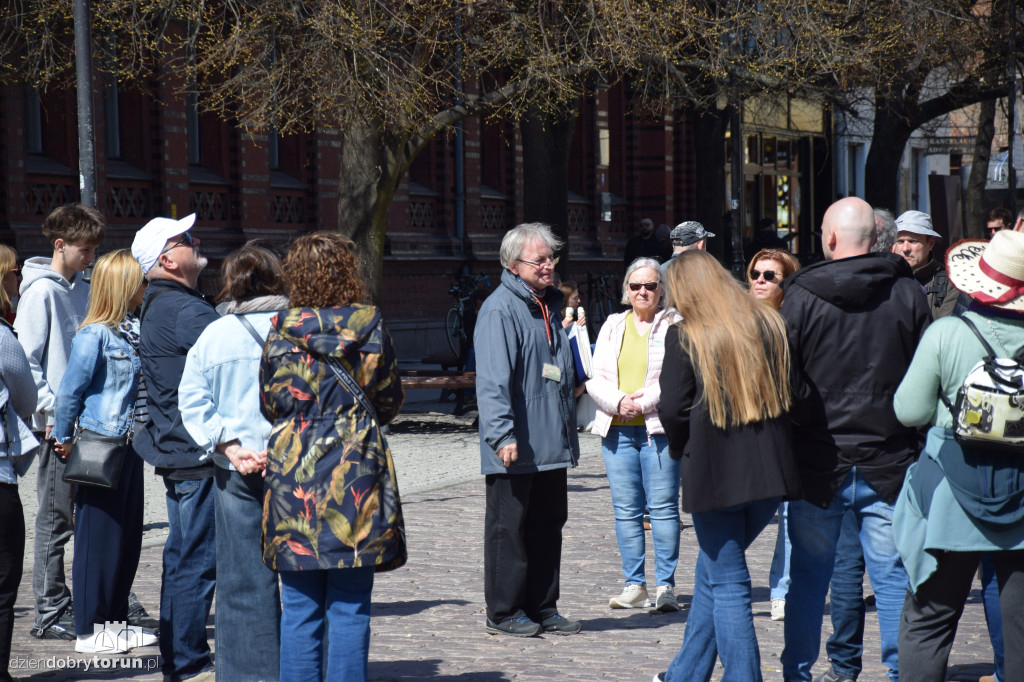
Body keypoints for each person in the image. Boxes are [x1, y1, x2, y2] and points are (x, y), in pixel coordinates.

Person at [779, 197, 931, 682]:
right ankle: (896, 673)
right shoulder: (908, 294)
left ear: (828, 238)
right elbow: (925, 380)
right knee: (892, 579)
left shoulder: (801, 296)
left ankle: (798, 672)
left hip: (823, 458)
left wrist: (807, 420)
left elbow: (785, 379)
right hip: (887, 455)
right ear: (878, 239)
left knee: (809, 577)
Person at [259, 233, 405, 680]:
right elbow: (389, 400)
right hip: (355, 470)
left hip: (293, 472)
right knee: (350, 605)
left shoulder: (280, 328)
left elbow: (268, 402)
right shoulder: (370, 325)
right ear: (348, 270)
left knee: (299, 609)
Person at [654, 250, 800, 681]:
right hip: (770, 474)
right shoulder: (770, 324)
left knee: (729, 586)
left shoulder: (686, 336)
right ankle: (685, 674)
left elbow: (673, 410)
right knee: (713, 576)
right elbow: (793, 393)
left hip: (715, 477)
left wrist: (681, 451)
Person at [893, 229, 1024, 682]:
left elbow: (909, 410)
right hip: (1023, 496)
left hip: (952, 490)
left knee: (928, 621)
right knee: (1022, 629)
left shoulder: (948, 333)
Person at [179, 243, 289, 681]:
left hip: (236, 466)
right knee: (305, 579)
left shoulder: (215, 334)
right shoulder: (297, 327)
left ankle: (249, 673)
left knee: (243, 577)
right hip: (295, 464)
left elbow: (191, 399)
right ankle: (300, 667)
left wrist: (226, 444)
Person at [475, 223, 581, 637]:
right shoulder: (501, 309)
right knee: (509, 529)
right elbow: (493, 380)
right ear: (513, 265)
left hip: (550, 440)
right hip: (516, 443)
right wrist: (502, 435)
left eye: (550, 258)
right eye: (539, 260)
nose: (548, 266)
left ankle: (543, 606)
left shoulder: (547, 305)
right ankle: (503, 610)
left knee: (546, 525)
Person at [51, 250, 156, 654]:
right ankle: (89, 629)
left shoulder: (134, 328)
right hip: (101, 443)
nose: (145, 288)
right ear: (123, 286)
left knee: (125, 538)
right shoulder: (93, 335)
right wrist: (62, 437)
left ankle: (114, 621)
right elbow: (69, 393)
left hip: (132, 446)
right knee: (98, 538)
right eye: (140, 281)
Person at [131, 213, 219, 682]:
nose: (195, 241)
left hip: (177, 448)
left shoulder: (164, 303)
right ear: (167, 258)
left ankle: (180, 655)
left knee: (183, 555)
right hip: (197, 453)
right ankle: (187, 661)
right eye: (185, 239)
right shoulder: (186, 310)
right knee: (197, 559)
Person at [16, 203, 103, 641]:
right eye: (84, 250)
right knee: (55, 518)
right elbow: (26, 362)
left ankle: (80, 597)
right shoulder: (41, 293)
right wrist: (51, 412)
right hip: (56, 425)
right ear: (60, 245)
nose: (90, 258)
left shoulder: (81, 289)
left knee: (82, 515)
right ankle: (48, 608)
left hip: (86, 423)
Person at [586, 258, 681, 612]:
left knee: (663, 509)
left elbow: (678, 376)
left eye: (651, 285)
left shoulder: (674, 323)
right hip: (617, 432)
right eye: (635, 286)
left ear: (662, 290)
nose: (643, 291)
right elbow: (595, 377)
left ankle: (666, 586)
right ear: (626, 290)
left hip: (658, 431)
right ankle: (634, 585)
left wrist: (644, 404)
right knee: (626, 511)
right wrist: (618, 401)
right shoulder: (612, 325)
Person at [745, 248, 800, 622]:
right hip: (745, 434)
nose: (760, 280)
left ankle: (782, 590)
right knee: (740, 520)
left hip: (787, 432)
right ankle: (723, 585)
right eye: (755, 274)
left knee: (790, 520)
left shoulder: (795, 324)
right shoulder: (736, 322)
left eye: (770, 275)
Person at [0, 244, 37, 682]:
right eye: (14, 271)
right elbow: (26, 397)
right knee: (3, 584)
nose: (19, 279)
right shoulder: (3, 337)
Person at [892, 210, 957, 319]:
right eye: (900, 241)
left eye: (913, 241)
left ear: (931, 243)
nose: (905, 248)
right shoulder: (885, 279)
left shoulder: (951, 284)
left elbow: (946, 333)